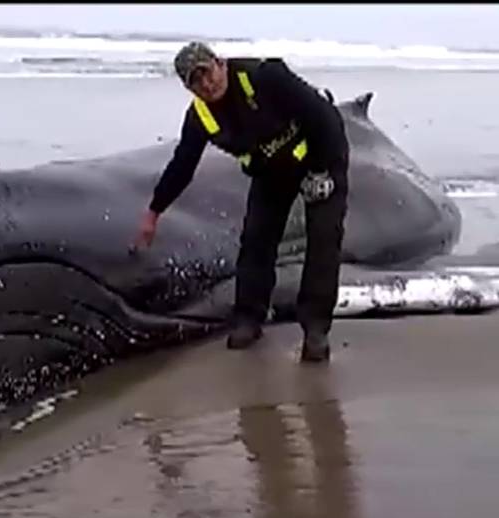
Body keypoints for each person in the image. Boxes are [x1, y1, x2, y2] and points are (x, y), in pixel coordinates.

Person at [134, 41, 349, 363]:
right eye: (196, 81)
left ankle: (315, 329)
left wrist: (321, 171)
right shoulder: (200, 117)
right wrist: (154, 212)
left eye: (207, 73)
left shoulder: (266, 76)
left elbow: (325, 118)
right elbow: (182, 164)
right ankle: (249, 318)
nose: (207, 84)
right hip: (272, 171)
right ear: (188, 88)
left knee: (323, 240)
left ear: (220, 63)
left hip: (319, 156)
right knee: (256, 241)